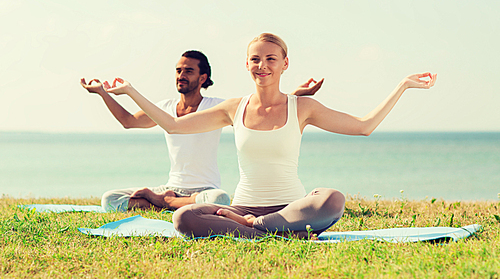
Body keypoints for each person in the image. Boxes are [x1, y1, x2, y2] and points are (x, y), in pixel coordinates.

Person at [104, 33, 437, 238]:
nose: (262, 65)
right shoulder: (234, 108)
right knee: (183, 218)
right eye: (255, 59)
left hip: (290, 207)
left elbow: (364, 126)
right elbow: (174, 125)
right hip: (244, 205)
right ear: (247, 64)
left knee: (332, 198)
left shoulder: (302, 107)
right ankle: (270, 230)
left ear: (284, 64)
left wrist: (402, 86)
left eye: (270, 59)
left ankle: (255, 229)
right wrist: (131, 91)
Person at [81, 50, 323, 212]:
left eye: (188, 71)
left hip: (204, 192)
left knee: (220, 200)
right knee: (110, 200)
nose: (181, 75)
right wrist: (102, 93)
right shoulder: (165, 109)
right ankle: (169, 201)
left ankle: (165, 203)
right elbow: (128, 121)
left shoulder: (215, 107)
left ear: (202, 77)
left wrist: (295, 96)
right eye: (178, 70)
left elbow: (259, 109)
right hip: (171, 187)